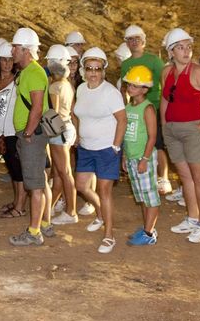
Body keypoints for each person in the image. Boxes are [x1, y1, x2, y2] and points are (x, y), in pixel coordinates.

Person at [160, 28, 200, 243]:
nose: (186, 52)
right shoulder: (166, 72)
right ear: (171, 52)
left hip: (195, 128)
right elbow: (166, 98)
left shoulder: (197, 72)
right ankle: (192, 218)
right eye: (180, 47)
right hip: (173, 130)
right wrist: (164, 123)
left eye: (188, 47)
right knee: (185, 177)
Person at [70, 47, 127, 253]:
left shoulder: (110, 92)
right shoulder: (82, 89)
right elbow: (77, 113)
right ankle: (102, 215)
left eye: (97, 68)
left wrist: (116, 146)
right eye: (89, 68)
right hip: (86, 147)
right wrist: (77, 134)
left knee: (105, 191)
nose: (93, 72)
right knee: (82, 185)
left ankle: (109, 234)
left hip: (106, 148)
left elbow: (122, 120)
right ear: (84, 70)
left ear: (103, 70)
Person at [8, 27, 53, 247]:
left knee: (35, 185)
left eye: (15, 47)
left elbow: (36, 107)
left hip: (32, 136)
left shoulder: (34, 73)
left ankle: (34, 232)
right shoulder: (26, 72)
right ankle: (42, 223)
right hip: (30, 135)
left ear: (26, 50)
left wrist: (27, 132)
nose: (12, 51)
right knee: (37, 182)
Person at [120, 25, 173, 198]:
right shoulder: (126, 64)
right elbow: (124, 87)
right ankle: (143, 172)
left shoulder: (154, 61)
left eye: (137, 39)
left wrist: (166, 106)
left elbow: (164, 83)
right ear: (126, 43)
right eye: (130, 39)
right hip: (134, 108)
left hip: (154, 106)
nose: (134, 42)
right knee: (137, 139)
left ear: (143, 41)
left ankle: (163, 178)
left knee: (157, 143)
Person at [121, 65, 160, 246]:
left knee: (150, 197)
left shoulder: (148, 108)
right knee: (142, 196)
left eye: (135, 86)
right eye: (129, 84)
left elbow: (152, 137)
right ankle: (147, 227)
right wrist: (125, 157)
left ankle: (148, 233)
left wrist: (144, 159)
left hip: (144, 158)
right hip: (132, 158)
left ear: (145, 89)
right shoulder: (129, 107)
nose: (131, 88)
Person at [0, 42, 26, 219]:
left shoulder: (18, 80)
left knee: (18, 171)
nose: (7, 63)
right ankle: (16, 201)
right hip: (1, 133)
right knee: (11, 169)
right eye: (4, 60)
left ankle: (20, 206)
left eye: (10, 60)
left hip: (13, 131)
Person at [44, 44, 80, 226]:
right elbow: (72, 110)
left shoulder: (54, 86)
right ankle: (50, 207)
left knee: (64, 173)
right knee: (60, 173)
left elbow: (54, 113)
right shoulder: (68, 84)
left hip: (58, 132)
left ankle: (71, 211)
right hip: (68, 128)